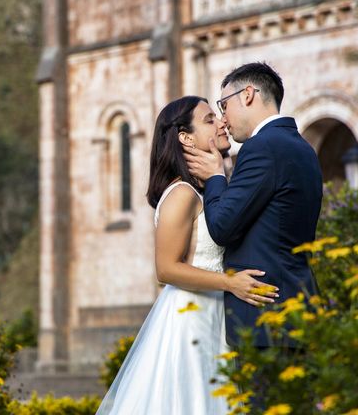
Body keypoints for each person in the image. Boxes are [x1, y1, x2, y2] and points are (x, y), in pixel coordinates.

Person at [96, 96, 279, 415]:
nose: (221, 122)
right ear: (185, 137)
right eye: (209, 119)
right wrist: (229, 282)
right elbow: (166, 269)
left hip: (216, 317)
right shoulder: (181, 194)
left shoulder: (210, 191)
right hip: (191, 319)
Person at [184, 62, 323, 350]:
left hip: (266, 315)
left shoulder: (262, 147)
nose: (223, 120)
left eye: (224, 106)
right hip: (298, 307)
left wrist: (214, 177)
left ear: (247, 95)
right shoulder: (303, 148)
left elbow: (222, 226)